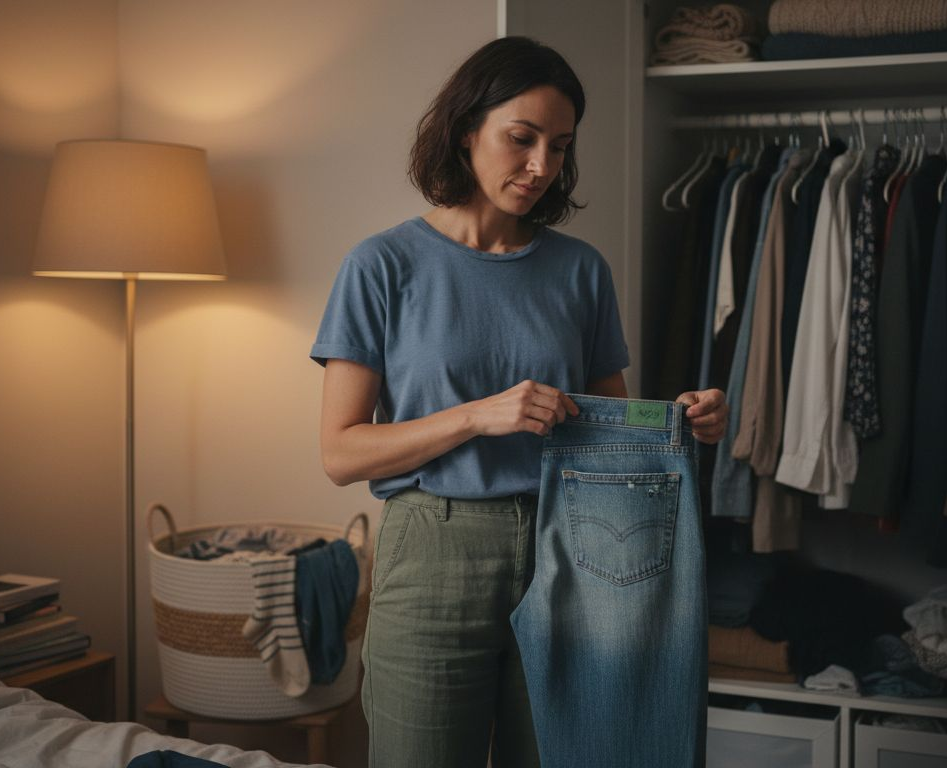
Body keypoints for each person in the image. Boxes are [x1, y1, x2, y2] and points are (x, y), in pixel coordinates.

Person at [311, 36, 728, 768]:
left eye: (560, 147)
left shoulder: (580, 272)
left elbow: (614, 438)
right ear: (466, 129)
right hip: (431, 553)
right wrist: (478, 415)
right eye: (522, 139)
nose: (543, 166)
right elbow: (340, 453)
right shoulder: (382, 265)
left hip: (576, 545)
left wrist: (685, 425)